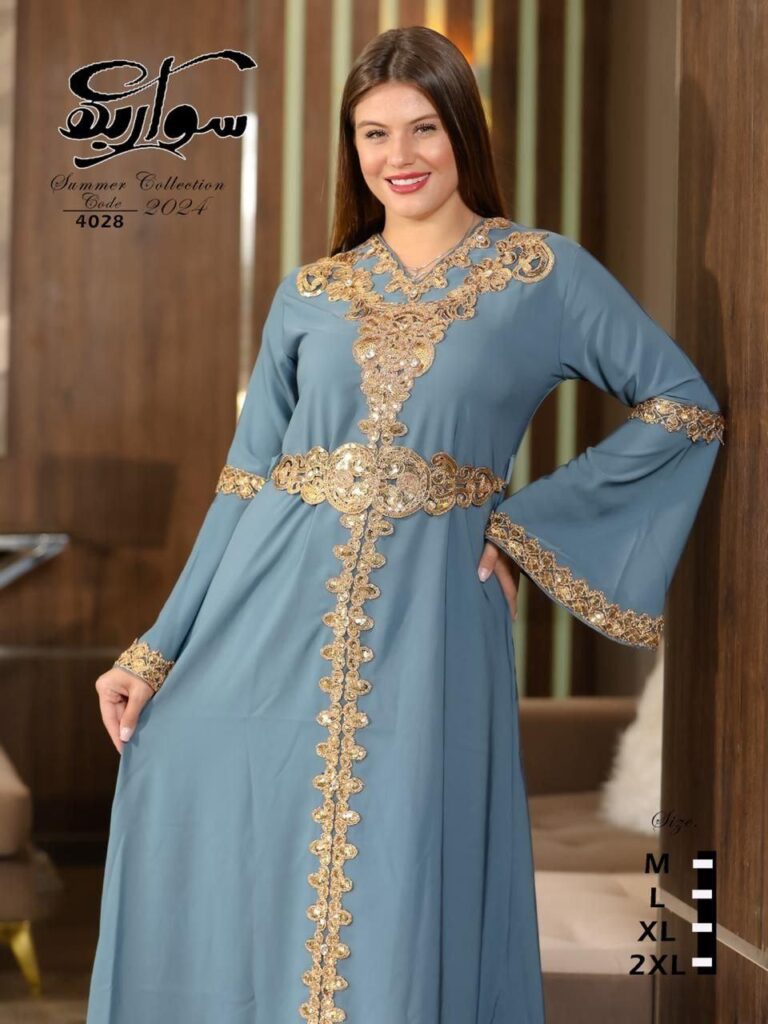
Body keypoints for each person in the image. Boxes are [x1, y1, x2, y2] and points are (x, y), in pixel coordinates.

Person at [86, 25, 725, 1024]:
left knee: (400, 864)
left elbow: (682, 407)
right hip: (267, 610)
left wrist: (524, 531)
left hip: (433, 622)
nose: (400, 156)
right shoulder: (313, 293)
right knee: (204, 801)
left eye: (423, 127)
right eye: (374, 133)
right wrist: (155, 649)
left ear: (464, 129)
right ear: (353, 148)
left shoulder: (541, 273)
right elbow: (244, 484)